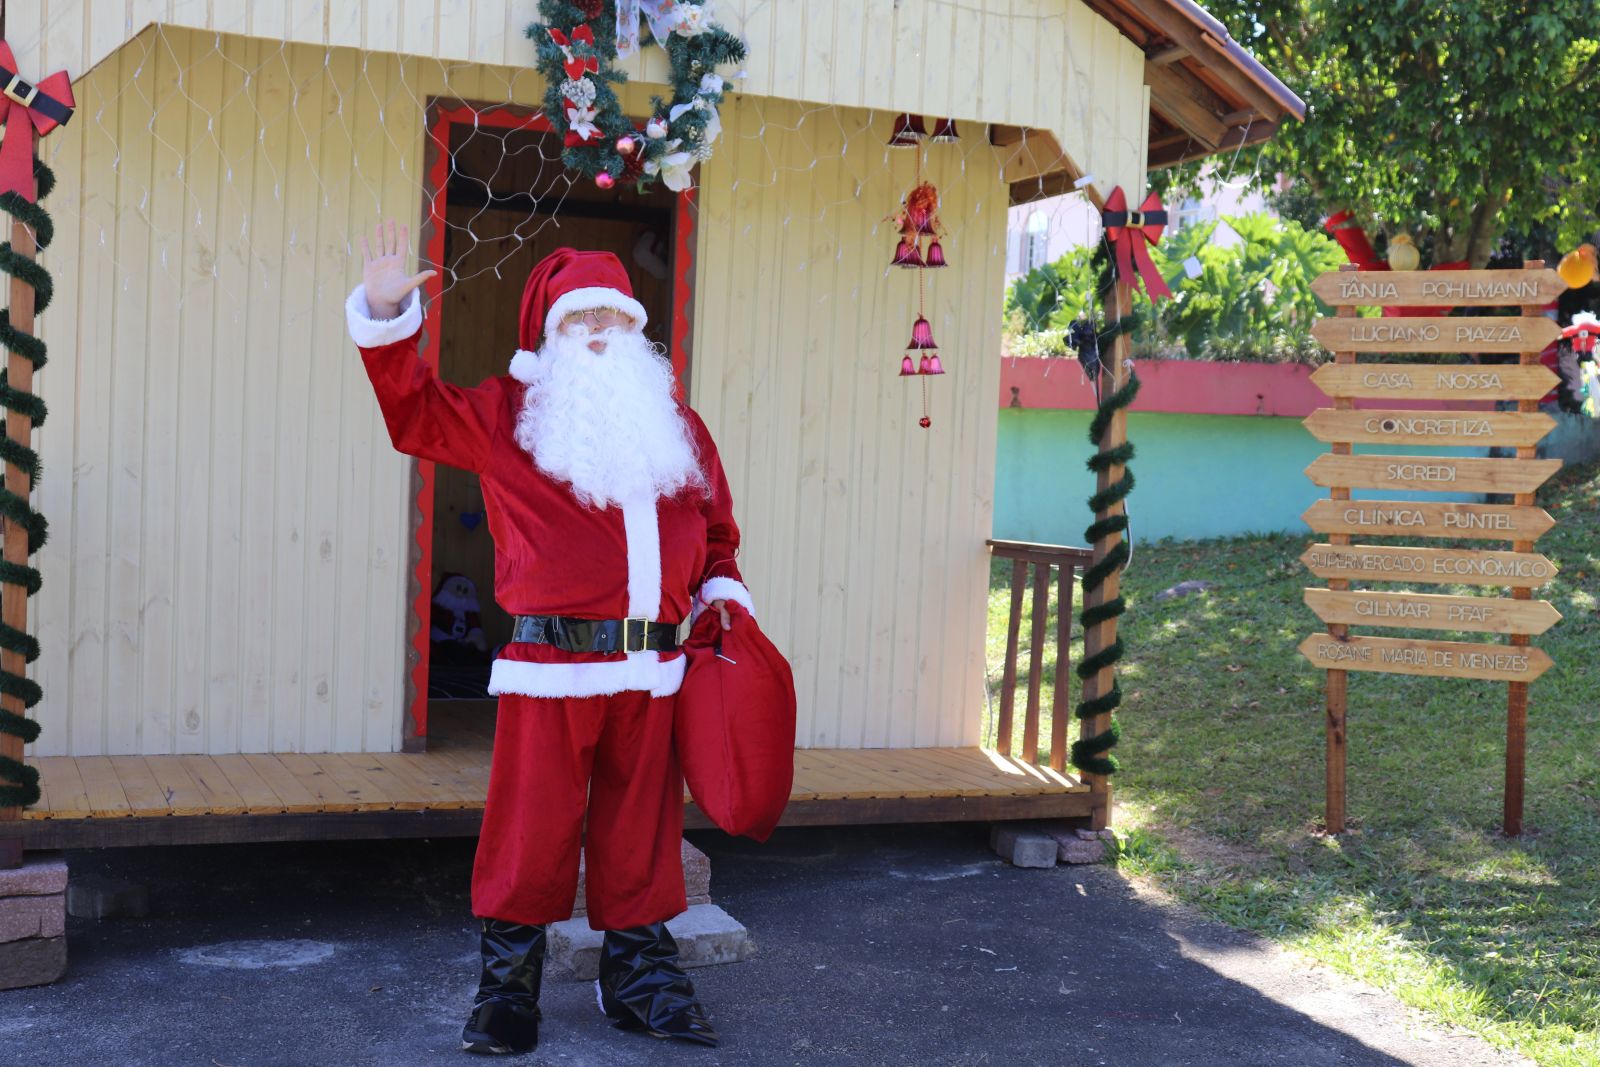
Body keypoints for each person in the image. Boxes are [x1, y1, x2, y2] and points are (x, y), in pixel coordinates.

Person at [346, 221, 754, 1054]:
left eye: (613, 318)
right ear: (551, 333)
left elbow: (715, 527)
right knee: (529, 830)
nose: (599, 332)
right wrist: (386, 317)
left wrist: (720, 591)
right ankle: (507, 990)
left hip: (653, 665)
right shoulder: (509, 413)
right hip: (551, 665)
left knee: (641, 829)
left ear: (637, 333)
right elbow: (415, 414)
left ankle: (638, 977)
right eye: (581, 319)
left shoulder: (676, 424)